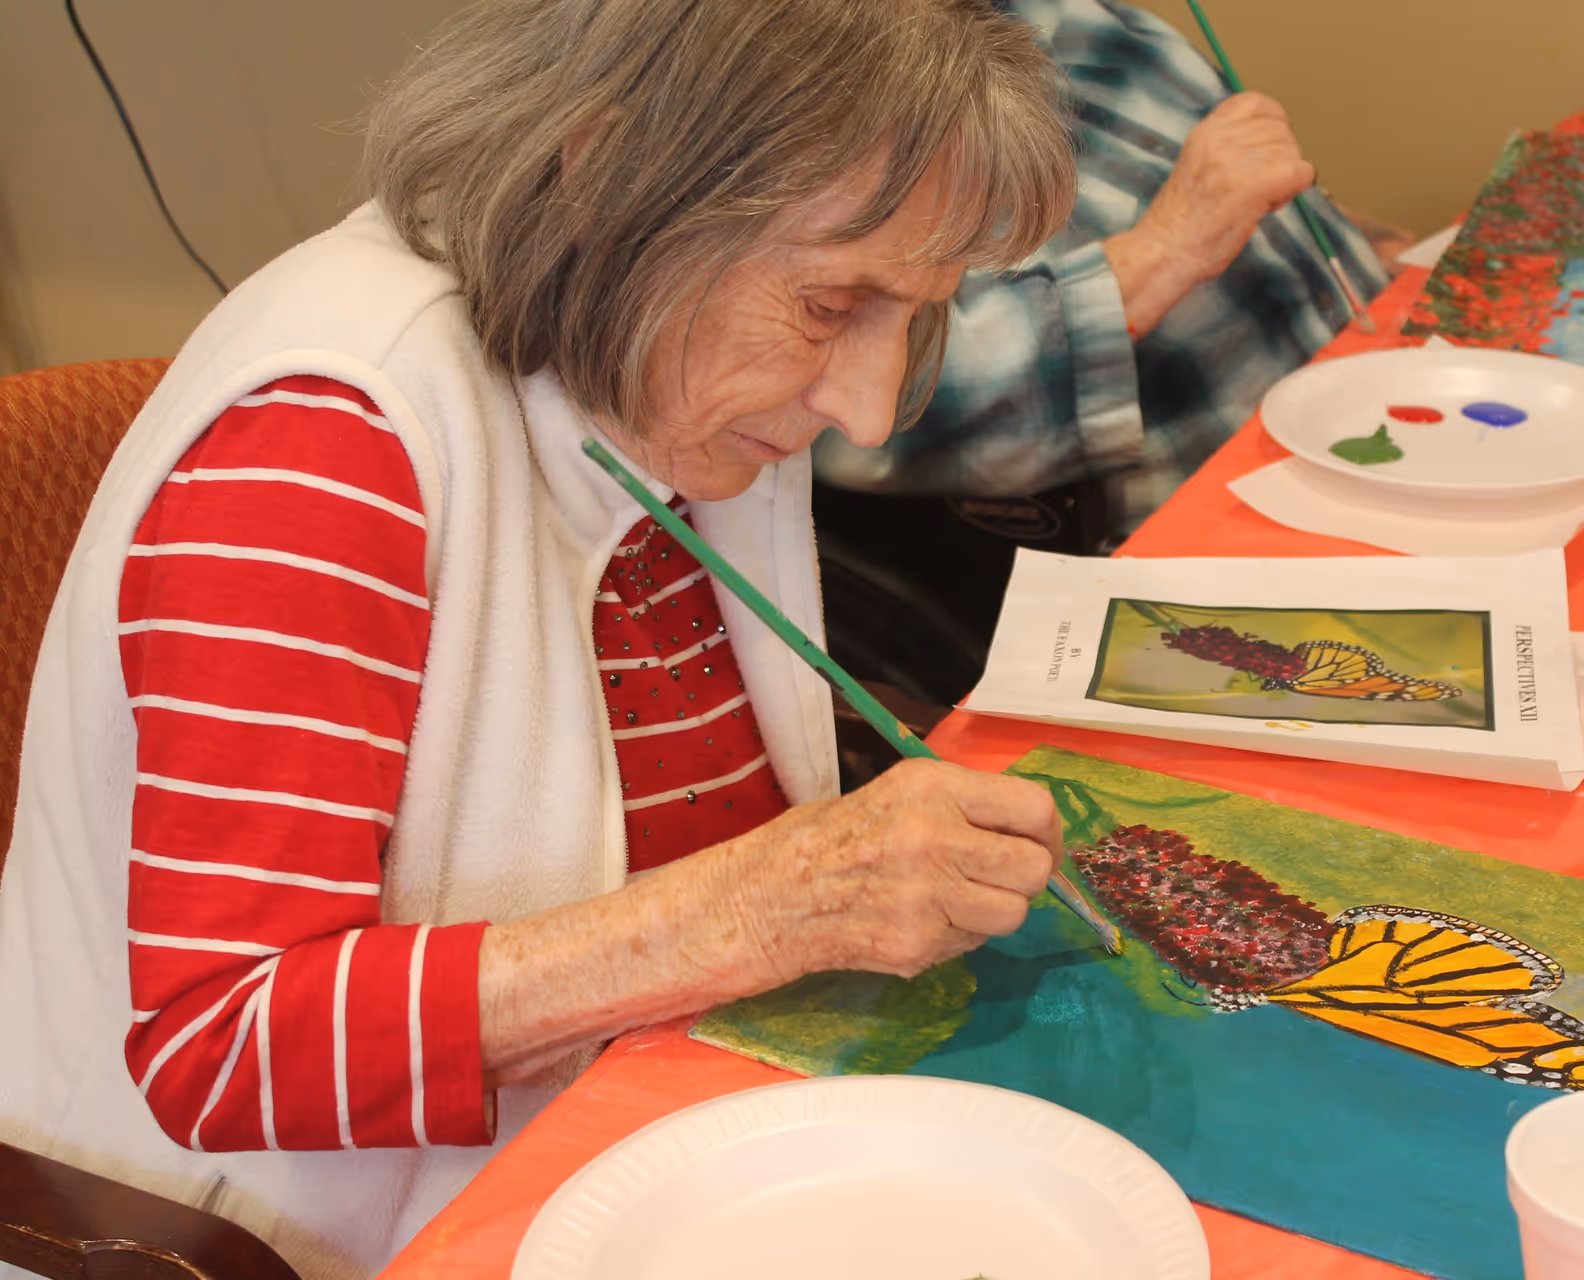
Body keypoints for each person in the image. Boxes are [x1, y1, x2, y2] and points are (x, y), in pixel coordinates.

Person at [0, 3, 1079, 1277]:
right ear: (605, 177)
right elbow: (220, 1045)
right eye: (835, 303)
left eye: (917, 312)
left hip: (643, 1121)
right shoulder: (323, 443)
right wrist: (744, 913)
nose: (868, 406)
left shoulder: (666, 359)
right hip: (289, 1234)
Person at [808, 0, 1401, 701]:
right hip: (1222, 555)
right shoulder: (823, 91)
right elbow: (865, 410)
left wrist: (1366, 250)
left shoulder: (1070, 16)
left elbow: (1246, 183)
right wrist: (1167, 249)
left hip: (1380, 416)